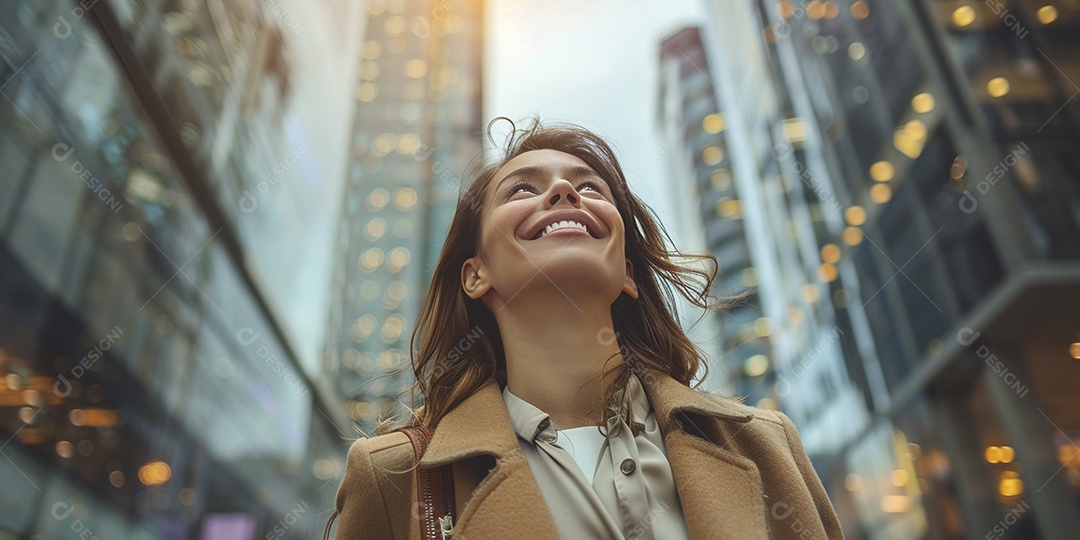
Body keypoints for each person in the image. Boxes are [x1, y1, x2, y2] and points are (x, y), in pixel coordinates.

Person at [328, 119, 843, 539]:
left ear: (627, 274)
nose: (562, 191)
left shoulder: (764, 444)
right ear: (475, 275)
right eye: (522, 189)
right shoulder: (395, 479)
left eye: (589, 187)